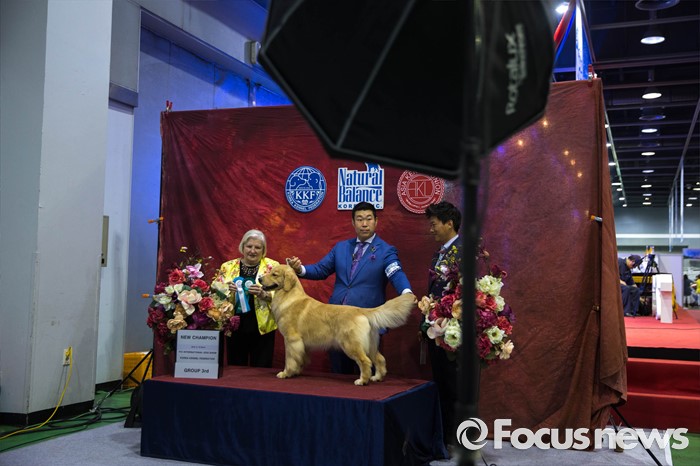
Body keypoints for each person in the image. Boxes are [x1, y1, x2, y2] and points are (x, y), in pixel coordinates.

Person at [287, 201, 412, 374]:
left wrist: (406, 293)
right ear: (353, 223)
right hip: (334, 323)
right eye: (359, 219)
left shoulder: (386, 251)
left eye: (368, 219)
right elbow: (321, 269)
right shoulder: (341, 248)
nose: (364, 223)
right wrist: (299, 269)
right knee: (339, 377)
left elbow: (396, 273)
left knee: (366, 371)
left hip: (365, 321)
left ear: (376, 221)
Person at [421, 201, 462, 448]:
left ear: (449, 223)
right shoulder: (440, 253)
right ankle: (445, 436)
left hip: (454, 331)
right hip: (437, 329)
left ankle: (455, 438)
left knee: (453, 385)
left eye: (434, 224)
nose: (431, 229)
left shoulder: (464, 251)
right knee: (442, 383)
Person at [215, 229, 279, 367]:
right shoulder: (227, 267)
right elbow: (214, 294)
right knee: (236, 370)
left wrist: (264, 294)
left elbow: (282, 294)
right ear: (242, 247)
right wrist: (226, 289)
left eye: (258, 247)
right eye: (249, 246)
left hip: (263, 328)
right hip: (234, 326)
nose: (253, 251)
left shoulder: (273, 267)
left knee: (261, 372)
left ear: (263, 250)